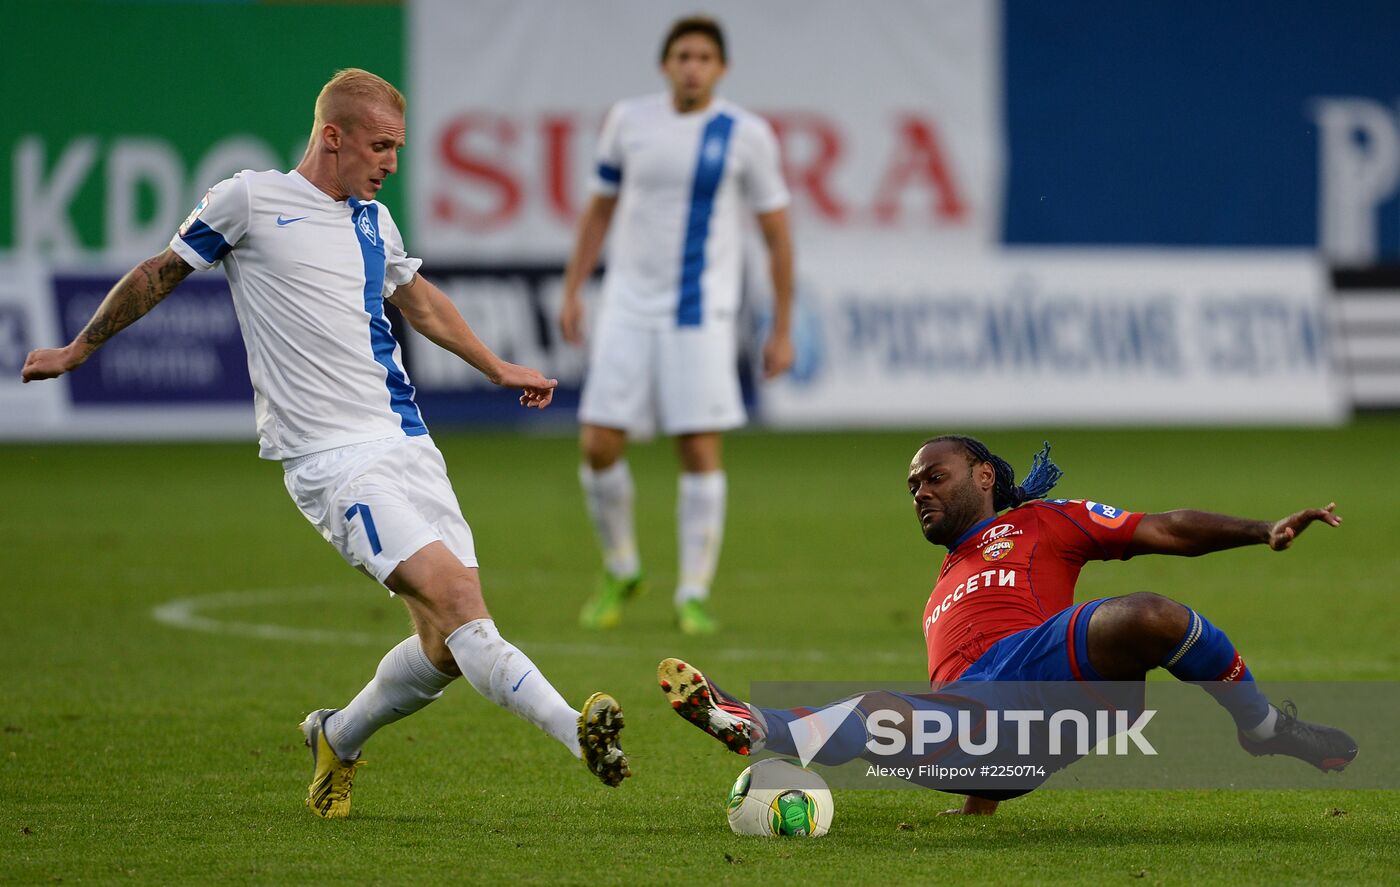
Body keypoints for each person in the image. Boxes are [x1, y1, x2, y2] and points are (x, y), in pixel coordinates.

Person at [21, 68, 631, 818]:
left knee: (444, 646)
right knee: (460, 603)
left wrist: (497, 366)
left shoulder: (374, 221)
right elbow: (159, 273)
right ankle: (576, 731)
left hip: (408, 442)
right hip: (331, 461)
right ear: (332, 137)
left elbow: (420, 301)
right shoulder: (248, 199)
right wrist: (77, 349)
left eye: (398, 148)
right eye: (381, 146)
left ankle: (337, 737)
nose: (392, 163)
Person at [656, 435, 1357, 815]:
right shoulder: (939, 595)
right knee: (888, 715)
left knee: (1149, 614)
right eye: (912, 487)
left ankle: (1262, 726)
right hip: (991, 747)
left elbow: (1164, 528)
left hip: (1055, 682)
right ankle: (752, 726)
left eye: (934, 476)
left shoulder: (1043, 522)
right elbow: (967, 707)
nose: (920, 492)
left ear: (985, 475)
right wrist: (981, 800)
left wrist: (1261, 529)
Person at [559, 15, 795, 635]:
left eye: (704, 58)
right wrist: (573, 289)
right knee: (597, 443)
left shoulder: (746, 134)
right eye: (683, 56)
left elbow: (777, 235)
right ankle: (621, 567)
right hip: (627, 306)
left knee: (697, 448)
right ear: (665, 64)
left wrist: (781, 326)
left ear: (722, 68)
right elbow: (598, 210)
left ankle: (693, 592)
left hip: (700, 312)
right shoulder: (628, 121)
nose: (693, 67)